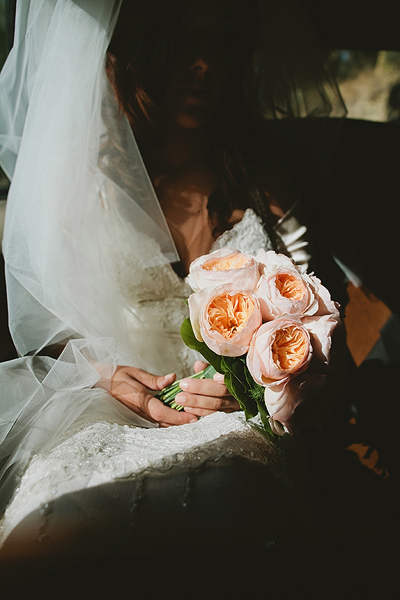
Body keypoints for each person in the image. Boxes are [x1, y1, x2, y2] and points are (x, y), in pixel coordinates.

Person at [0, 0, 353, 578]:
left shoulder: (264, 180)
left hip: (242, 425)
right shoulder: (82, 183)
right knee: (50, 538)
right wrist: (102, 373)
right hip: (103, 412)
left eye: (224, 42)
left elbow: (324, 335)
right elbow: (52, 330)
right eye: (183, 41)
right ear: (140, 53)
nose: (204, 65)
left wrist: (265, 387)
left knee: (231, 514)